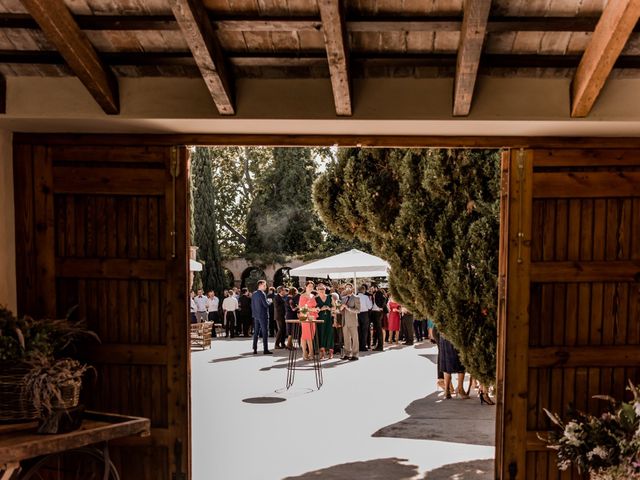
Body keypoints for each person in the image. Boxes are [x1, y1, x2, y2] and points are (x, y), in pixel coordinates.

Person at [439, 333, 469, 399]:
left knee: (448, 361)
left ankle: (448, 390)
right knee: (460, 360)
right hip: (454, 332)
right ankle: (459, 389)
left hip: (445, 332)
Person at [251, 280, 272, 355]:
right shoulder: (262, 294)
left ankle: (255, 349)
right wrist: (269, 301)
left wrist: (254, 314)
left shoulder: (254, 294)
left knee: (256, 332)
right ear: (260, 285)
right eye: (264, 285)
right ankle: (265, 349)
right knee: (265, 332)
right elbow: (265, 305)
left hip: (256, 315)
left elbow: (252, 305)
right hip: (263, 315)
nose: (265, 287)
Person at [298, 281, 318, 360]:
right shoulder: (302, 296)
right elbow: (302, 309)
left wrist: (316, 309)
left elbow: (314, 306)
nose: (311, 287)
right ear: (306, 287)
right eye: (309, 286)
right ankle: (304, 353)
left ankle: (311, 352)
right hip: (304, 316)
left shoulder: (313, 295)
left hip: (313, 316)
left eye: (312, 286)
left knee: (311, 335)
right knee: (305, 335)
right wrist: (312, 309)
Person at [340, 284, 360, 361]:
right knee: (346, 339)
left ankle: (355, 355)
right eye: (346, 287)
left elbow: (358, 310)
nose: (347, 288)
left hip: (353, 321)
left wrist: (347, 308)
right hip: (344, 321)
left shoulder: (356, 298)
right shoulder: (343, 298)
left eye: (349, 287)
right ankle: (347, 354)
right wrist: (341, 308)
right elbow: (341, 310)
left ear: (352, 288)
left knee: (354, 338)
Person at [315, 282, 334, 360]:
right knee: (321, 334)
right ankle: (322, 352)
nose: (322, 290)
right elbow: (314, 309)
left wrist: (329, 308)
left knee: (330, 334)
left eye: (323, 289)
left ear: (325, 289)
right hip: (320, 319)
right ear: (317, 290)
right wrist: (320, 309)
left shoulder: (330, 297)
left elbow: (334, 307)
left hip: (329, 319)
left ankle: (330, 352)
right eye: (320, 289)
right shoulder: (315, 298)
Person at [356, 285, 372, 352]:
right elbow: (369, 307)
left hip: (357, 314)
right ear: (363, 290)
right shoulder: (366, 297)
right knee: (365, 331)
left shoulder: (355, 297)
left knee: (358, 330)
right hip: (364, 314)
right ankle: (363, 346)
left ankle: (358, 346)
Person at [370, 284, 385, 351]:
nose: (371, 289)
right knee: (376, 330)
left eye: (372, 288)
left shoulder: (379, 292)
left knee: (379, 330)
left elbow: (384, 298)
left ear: (375, 288)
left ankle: (380, 346)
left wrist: (381, 307)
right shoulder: (373, 294)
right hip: (374, 312)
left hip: (378, 312)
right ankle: (377, 345)